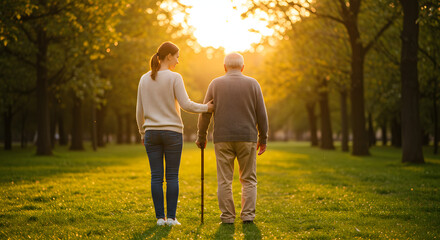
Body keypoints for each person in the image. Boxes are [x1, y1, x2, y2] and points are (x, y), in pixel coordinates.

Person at [136, 41, 214, 226]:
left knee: (156, 176)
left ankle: (159, 219)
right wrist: (207, 107)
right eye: (177, 57)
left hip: (151, 133)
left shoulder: (144, 79)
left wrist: (142, 132)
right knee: (171, 176)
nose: (178, 61)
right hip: (172, 133)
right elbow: (186, 105)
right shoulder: (174, 77)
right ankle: (171, 218)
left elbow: (139, 110)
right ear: (169, 56)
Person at [196, 52, 268, 224]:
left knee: (224, 180)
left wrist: (201, 135)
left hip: (222, 138)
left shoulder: (215, 84)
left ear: (224, 67)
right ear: (243, 67)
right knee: (249, 179)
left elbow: (205, 112)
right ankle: (248, 216)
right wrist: (263, 138)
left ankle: (228, 217)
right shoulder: (253, 84)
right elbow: (262, 114)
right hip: (247, 137)